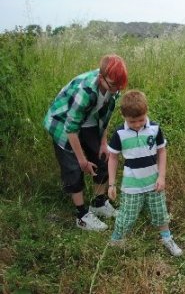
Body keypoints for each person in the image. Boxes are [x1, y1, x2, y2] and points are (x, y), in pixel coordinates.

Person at [43, 54, 128, 231]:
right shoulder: (85, 90)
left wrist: (104, 143)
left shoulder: (114, 85)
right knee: (73, 167)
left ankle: (98, 203)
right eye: (112, 85)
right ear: (100, 78)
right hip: (62, 122)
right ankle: (81, 216)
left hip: (88, 119)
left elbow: (105, 116)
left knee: (103, 157)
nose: (116, 90)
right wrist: (82, 160)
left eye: (119, 86)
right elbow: (71, 128)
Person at [107, 90, 182, 256]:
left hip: (154, 182)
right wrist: (111, 183)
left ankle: (167, 238)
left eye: (141, 120)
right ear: (123, 115)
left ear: (146, 111)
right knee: (127, 215)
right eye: (132, 121)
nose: (137, 124)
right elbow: (113, 158)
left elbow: (162, 152)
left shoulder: (154, 129)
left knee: (160, 212)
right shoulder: (119, 133)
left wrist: (161, 177)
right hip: (131, 186)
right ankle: (116, 239)